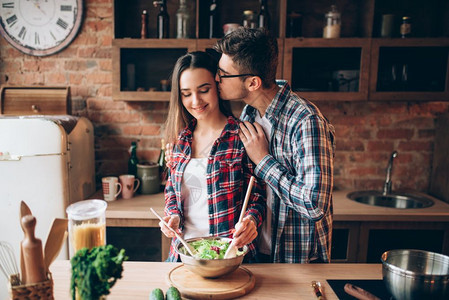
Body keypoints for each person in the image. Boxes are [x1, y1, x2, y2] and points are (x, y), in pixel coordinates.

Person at [214, 28, 335, 263]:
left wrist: (263, 160)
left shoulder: (306, 120)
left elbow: (314, 205)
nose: (216, 78)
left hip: (297, 260)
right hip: (255, 252)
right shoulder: (248, 115)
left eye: (223, 73)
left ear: (253, 83)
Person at [160, 51, 266, 262]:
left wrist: (251, 221)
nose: (196, 100)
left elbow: (259, 196)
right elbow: (172, 191)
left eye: (204, 90)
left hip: (229, 257)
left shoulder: (242, 136)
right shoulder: (180, 140)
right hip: (185, 256)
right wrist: (172, 216)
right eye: (186, 93)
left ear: (217, 86)